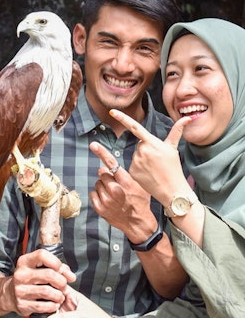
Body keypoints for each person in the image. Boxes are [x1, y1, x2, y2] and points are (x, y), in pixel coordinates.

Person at [0, 0, 189, 317]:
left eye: (144, 48)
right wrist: (9, 293)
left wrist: (142, 227)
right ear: (80, 39)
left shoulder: (181, 146)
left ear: (163, 57)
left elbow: (193, 289)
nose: (123, 64)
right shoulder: (31, 135)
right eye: (109, 42)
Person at [86, 18, 245, 317]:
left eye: (201, 69)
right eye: (172, 74)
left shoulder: (174, 174)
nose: (183, 89)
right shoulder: (191, 165)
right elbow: (202, 304)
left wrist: (174, 194)